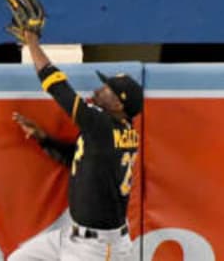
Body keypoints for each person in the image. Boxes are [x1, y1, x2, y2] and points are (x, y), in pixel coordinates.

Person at [8, 31, 143, 261]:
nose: (99, 90)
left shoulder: (103, 126)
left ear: (119, 104)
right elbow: (79, 160)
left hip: (97, 248)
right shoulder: (116, 131)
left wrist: (31, 41)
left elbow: (58, 88)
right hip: (73, 235)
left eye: (107, 89)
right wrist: (44, 139)